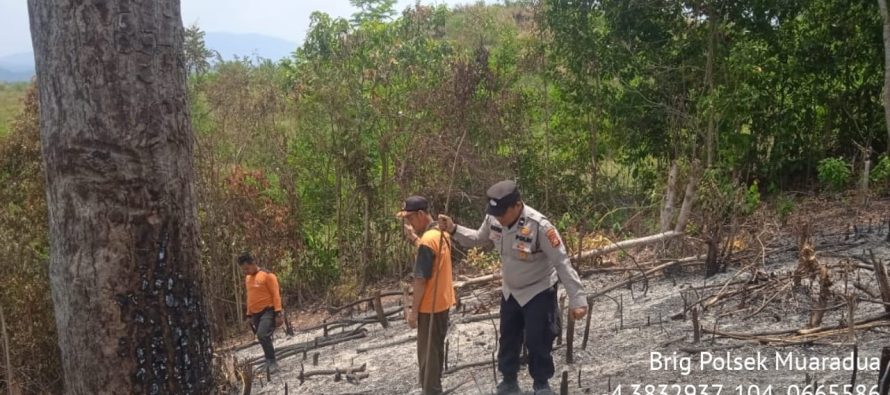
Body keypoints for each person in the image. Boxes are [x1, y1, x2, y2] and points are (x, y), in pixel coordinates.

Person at [438, 180, 588, 395]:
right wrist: (453, 229)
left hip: (538, 290)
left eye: (502, 212)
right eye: (495, 212)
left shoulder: (540, 226)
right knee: (508, 338)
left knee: (539, 339)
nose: (498, 217)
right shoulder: (494, 218)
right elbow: (478, 239)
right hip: (510, 291)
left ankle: (541, 384)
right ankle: (509, 381)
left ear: (517, 205)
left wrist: (578, 300)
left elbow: (562, 262)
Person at [398, 195, 455, 395]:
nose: (408, 222)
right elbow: (431, 255)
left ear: (421, 214)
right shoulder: (440, 233)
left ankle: (431, 391)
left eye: (410, 218)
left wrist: (413, 314)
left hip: (430, 307)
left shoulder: (428, 241)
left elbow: (421, 280)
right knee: (435, 351)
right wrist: (414, 239)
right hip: (443, 303)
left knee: (428, 357)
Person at [238, 252, 284, 373]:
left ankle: (273, 361)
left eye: (247, 268)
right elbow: (250, 297)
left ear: (253, 263)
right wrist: (248, 314)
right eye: (243, 269)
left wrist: (278, 314)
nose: (246, 271)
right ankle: (268, 361)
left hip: (268, 310)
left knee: (262, 334)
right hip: (255, 313)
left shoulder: (268, 276)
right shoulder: (248, 279)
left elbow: (276, 295)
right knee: (262, 337)